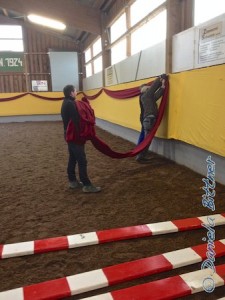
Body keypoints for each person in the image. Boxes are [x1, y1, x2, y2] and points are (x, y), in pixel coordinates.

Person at [61, 84, 101, 193]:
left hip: (69, 135)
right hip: (74, 135)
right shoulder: (71, 104)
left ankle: (73, 181)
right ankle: (87, 184)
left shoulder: (65, 102)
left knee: (73, 158)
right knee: (82, 160)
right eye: (75, 91)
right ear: (71, 93)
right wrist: (81, 135)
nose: (76, 92)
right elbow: (76, 121)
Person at [136, 74, 168, 163]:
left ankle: (141, 156)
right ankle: (140, 157)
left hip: (149, 120)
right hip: (149, 120)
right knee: (147, 141)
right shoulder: (145, 96)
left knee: (147, 140)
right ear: (144, 89)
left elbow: (158, 93)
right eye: (147, 88)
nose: (149, 88)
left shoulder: (149, 98)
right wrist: (160, 78)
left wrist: (163, 85)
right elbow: (154, 87)